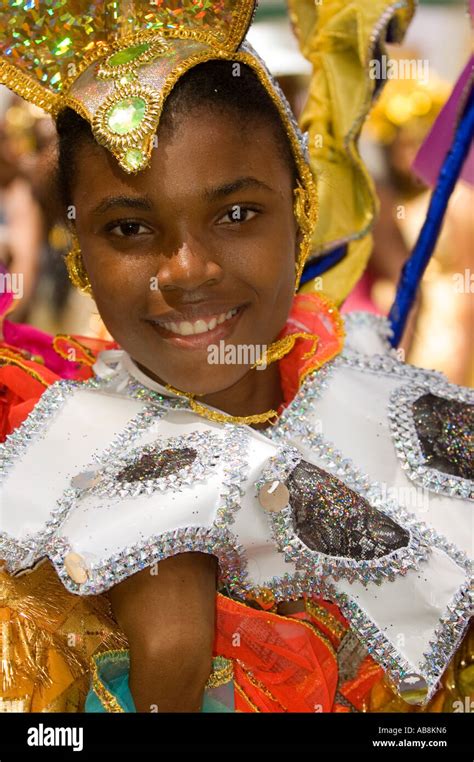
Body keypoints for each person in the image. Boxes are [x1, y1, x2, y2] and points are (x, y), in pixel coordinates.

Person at [0, 0, 471, 714]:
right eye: (129, 226)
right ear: (82, 258)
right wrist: (160, 679)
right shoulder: (37, 471)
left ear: (301, 208)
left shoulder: (410, 420)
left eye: (236, 214)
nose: (187, 270)